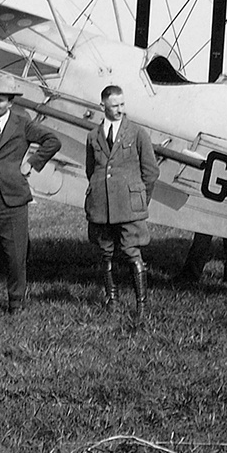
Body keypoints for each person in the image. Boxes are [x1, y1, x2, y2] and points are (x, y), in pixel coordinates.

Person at [0, 71, 62, 314]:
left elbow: (52, 141)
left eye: (0, 100)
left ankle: (16, 301)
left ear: (11, 102)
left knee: (15, 252)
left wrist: (32, 162)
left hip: (14, 197)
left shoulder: (22, 125)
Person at [85, 84, 160, 320]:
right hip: (102, 206)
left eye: (122, 105)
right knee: (105, 252)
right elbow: (92, 170)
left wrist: (138, 199)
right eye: (114, 105)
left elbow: (151, 171)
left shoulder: (136, 133)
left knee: (131, 251)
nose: (119, 110)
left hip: (129, 207)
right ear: (103, 106)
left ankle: (142, 306)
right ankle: (112, 300)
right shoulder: (93, 136)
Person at [178, 73, 227, 285]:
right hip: (218, 181)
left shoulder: (224, 118)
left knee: (210, 230)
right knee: (221, 232)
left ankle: (194, 275)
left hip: (224, 181)